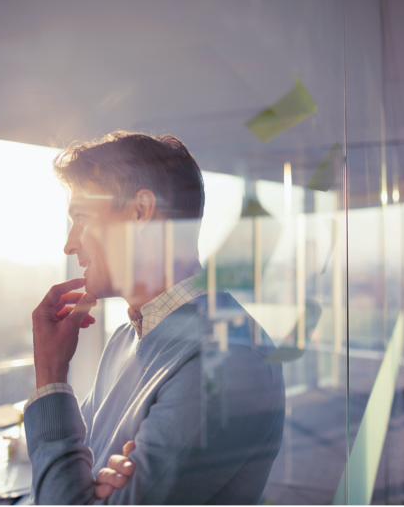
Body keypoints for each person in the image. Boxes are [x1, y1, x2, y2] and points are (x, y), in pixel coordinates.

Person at [25, 131, 285, 505]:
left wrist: (50, 376)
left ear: (140, 211)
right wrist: (87, 484)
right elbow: (66, 485)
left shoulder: (229, 358)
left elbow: (63, 488)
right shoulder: (124, 339)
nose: (69, 243)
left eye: (81, 216)